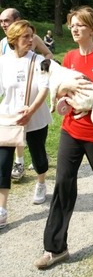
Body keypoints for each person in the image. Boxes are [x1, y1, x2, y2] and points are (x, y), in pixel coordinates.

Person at [34, 6, 93, 269]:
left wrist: (88, 105)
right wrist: (63, 97)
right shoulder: (70, 57)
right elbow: (64, 89)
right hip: (71, 131)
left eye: (80, 25)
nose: (74, 29)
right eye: (72, 25)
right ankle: (55, 248)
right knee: (63, 182)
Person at [0, 20, 53, 229]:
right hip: (9, 119)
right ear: (14, 40)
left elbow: (44, 89)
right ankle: (2, 209)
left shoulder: (40, 60)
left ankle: (41, 183)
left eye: (32, 36)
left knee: (38, 155)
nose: (31, 40)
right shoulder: (2, 61)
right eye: (26, 37)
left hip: (36, 117)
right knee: (3, 162)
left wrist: (30, 111)